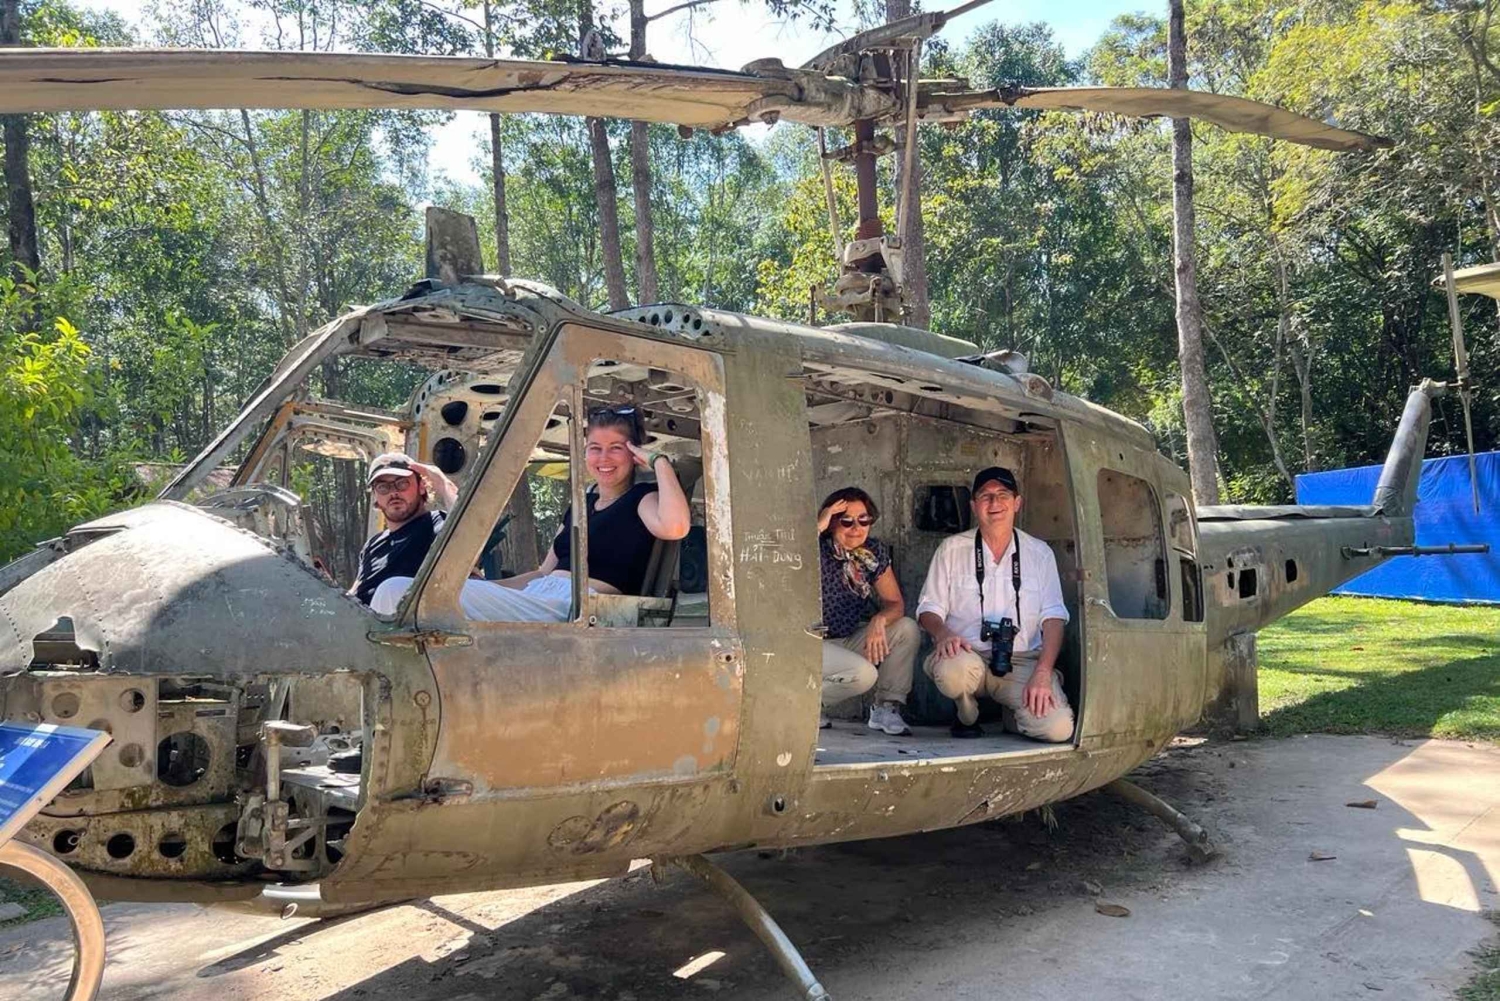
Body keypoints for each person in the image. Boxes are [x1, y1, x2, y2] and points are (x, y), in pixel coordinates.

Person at [369, 405, 691, 619]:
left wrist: (659, 461)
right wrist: (485, 587)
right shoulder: (581, 507)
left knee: (396, 591)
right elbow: (541, 573)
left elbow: (675, 527)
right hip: (541, 595)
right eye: (595, 448)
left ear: (633, 454)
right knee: (421, 590)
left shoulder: (641, 498)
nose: (604, 458)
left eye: (616, 448)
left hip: (577, 607)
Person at [915, 466, 1074, 742]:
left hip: (1022, 660)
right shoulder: (952, 549)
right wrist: (942, 634)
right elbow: (928, 609)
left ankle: (1014, 715)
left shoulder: (1039, 553)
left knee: (1057, 729)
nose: (994, 503)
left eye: (1002, 494)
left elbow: (1054, 617)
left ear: (1017, 502)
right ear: (974, 506)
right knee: (954, 671)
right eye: (985, 496)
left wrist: (1043, 673)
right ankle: (967, 713)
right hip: (967, 655)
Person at [817, 488, 920, 736]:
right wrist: (817, 525)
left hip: (847, 638)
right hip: (809, 643)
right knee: (864, 674)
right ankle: (804, 705)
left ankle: (886, 707)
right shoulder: (813, 548)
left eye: (863, 520)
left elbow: (894, 602)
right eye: (846, 520)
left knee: (906, 628)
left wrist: (879, 619)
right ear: (832, 523)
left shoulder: (871, 554)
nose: (856, 528)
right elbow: (783, 554)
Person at [349, 452, 458, 607]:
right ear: (375, 497)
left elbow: (472, 531)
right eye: (383, 487)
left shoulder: (437, 523)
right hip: (365, 623)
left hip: (410, 623)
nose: (393, 492)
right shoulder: (372, 546)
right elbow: (353, 594)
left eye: (402, 483)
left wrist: (442, 483)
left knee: (392, 589)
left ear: (421, 487)